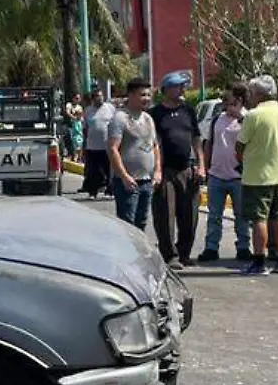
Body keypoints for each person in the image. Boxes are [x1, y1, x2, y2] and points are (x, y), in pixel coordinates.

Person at [234, 75, 278, 276]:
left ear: (258, 94)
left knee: (258, 219)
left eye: (251, 93)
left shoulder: (253, 115)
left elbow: (240, 145)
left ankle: (259, 261)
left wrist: (243, 159)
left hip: (257, 175)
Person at [148, 71, 204, 268]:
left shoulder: (189, 111)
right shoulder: (155, 114)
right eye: (178, 86)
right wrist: (157, 170)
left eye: (183, 86)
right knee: (165, 215)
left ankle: (184, 253)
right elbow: (153, 143)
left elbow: (196, 139)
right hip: (165, 170)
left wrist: (201, 165)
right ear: (167, 89)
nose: (182, 90)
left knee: (190, 215)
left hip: (188, 168)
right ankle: (169, 255)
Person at [198, 84, 251, 263]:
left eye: (227, 100)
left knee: (242, 215)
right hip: (217, 175)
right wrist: (205, 167)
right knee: (214, 215)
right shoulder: (217, 119)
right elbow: (209, 144)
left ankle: (243, 247)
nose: (224, 104)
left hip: (239, 176)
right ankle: (211, 247)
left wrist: (240, 117)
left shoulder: (248, 119)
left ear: (239, 100)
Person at [106, 77, 159, 231]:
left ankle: (139, 255)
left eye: (148, 95)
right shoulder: (119, 118)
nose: (147, 99)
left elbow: (155, 146)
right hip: (128, 183)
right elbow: (112, 149)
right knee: (127, 227)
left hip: (147, 182)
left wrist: (157, 171)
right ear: (130, 95)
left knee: (141, 224)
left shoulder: (148, 118)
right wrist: (124, 177)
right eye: (142, 95)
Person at [81, 86, 116, 199]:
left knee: (109, 169)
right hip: (92, 146)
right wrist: (84, 144)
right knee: (93, 171)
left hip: (107, 146)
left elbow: (116, 125)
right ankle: (92, 192)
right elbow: (85, 128)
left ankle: (110, 191)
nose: (100, 98)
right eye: (97, 96)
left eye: (101, 96)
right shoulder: (88, 111)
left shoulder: (110, 108)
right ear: (93, 98)